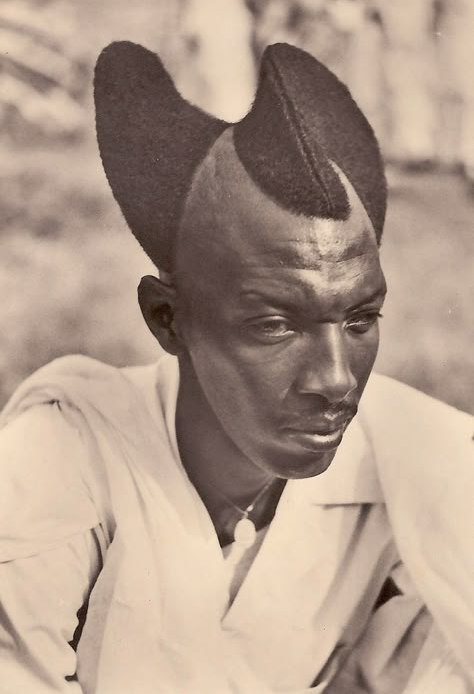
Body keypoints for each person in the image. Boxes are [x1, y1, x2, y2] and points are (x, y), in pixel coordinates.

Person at [0, 41, 472, 694]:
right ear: (168, 318)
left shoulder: (423, 466)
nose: (336, 378)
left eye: (361, 319)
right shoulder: (68, 448)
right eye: (274, 324)